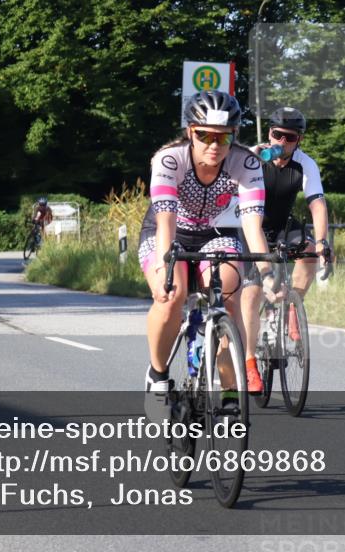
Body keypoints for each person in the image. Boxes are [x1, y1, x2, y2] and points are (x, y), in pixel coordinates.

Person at [139, 91, 274, 411]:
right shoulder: (169, 159)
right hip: (167, 233)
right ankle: (157, 376)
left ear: (234, 136)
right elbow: (165, 223)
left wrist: (267, 275)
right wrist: (164, 271)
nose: (214, 145)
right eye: (204, 135)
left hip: (217, 235)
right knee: (172, 294)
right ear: (190, 133)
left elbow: (253, 227)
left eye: (223, 137)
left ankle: (229, 393)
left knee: (227, 292)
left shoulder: (247, 162)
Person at [239, 107, 332, 394]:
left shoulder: (305, 164)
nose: (281, 141)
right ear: (269, 133)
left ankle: (292, 305)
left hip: (282, 226)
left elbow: (317, 203)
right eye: (276, 134)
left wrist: (322, 242)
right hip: (250, 226)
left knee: (309, 252)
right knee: (252, 291)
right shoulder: (252, 157)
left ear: (298, 140)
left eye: (288, 137)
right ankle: (250, 362)